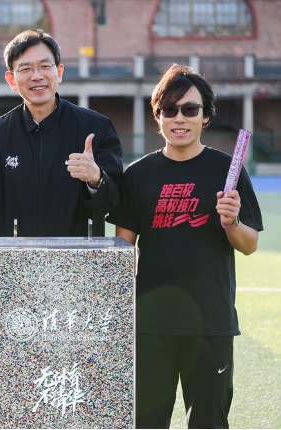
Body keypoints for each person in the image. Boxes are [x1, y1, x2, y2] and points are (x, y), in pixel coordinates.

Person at [106, 64, 263, 428]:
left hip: (210, 321)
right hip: (149, 324)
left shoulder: (227, 171)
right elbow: (122, 251)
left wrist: (231, 221)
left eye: (190, 109)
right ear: (158, 115)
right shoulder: (138, 174)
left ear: (205, 116)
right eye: (169, 109)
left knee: (209, 421)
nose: (179, 118)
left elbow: (250, 245)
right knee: (146, 421)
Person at [0, 29, 123, 237]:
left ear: (59, 72)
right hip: (15, 255)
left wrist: (96, 179)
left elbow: (113, 202)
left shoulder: (96, 128)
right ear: (11, 80)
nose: (37, 76)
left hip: (79, 255)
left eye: (44, 66)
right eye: (25, 69)